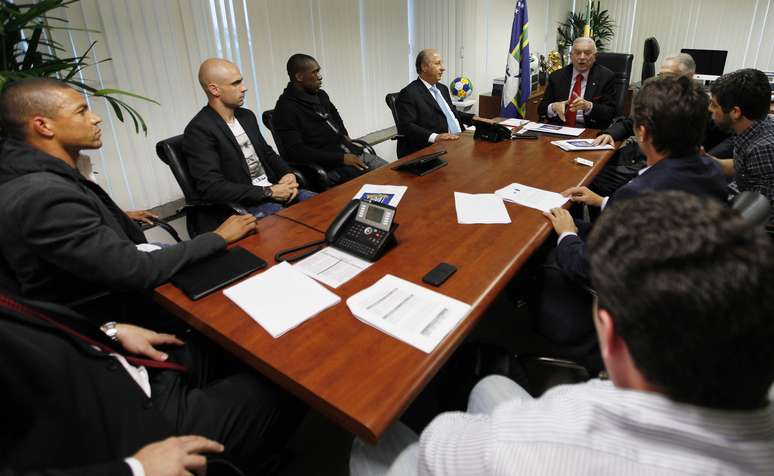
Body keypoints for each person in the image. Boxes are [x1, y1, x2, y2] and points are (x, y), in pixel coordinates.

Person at [349, 190, 774, 475]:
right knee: (491, 387)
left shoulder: (553, 438)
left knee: (372, 441)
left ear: (608, 335)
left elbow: (440, 447)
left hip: (513, 452)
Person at [0, 78, 257, 311]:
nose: (96, 118)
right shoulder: (43, 195)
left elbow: (70, 225)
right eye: (81, 111)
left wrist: (114, 215)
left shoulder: (34, 173)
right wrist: (218, 236)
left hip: (129, 266)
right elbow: (134, 270)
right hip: (113, 310)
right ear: (43, 126)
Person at [538, 74, 727, 369]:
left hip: (628, 308)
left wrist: (567, 234)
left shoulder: (639, 194)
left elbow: (585, 267)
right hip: (674, 287)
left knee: (546, 248)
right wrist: (601, 202)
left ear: (642, 132)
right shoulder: (710, 171)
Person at [0, 292, 304, 475]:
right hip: (134, 430)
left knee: (222, 338)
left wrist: (110, 332)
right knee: (288, 380)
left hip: (127, 366)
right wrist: (135, 470)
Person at [183, 58, 314, 223]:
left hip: (274, 191)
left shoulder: (246, 116)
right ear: (214, 89)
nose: (244, 88)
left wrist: (287, 173)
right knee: (295, 226)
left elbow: (267, 153)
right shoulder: (199, 130)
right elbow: (211, 187)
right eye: (235, 84)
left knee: (324, 206)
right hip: (248, 205)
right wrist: (270, 192)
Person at [588, 53, 733, 196]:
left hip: (662, 166)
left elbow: (727, 138)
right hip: (640, 155)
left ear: (689, 77)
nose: (662, 81)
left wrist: (707, 158)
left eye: (669, 76)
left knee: (593, 178)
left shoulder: (701, 107)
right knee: (592, 167)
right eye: (660, 75)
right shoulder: (655, 98)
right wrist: (610, 133)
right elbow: (630, 121)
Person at [272, 53, 388, 185]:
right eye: (314, 72)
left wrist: (345, 134)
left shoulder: (320, 95)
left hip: (350, 153)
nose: (320, 77)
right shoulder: (285, 108)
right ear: (299, 76)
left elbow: (335, 115)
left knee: (394, 174)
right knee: (379, 186)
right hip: (328, 167)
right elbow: (297, 152)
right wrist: (341, 159)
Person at [707, 68, 774, 224]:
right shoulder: (756, 127)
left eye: (714, 105)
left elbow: (758, 214)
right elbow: (743, 171)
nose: (710, 109)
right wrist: (704, 159)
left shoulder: (762, 149)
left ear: (735, 112)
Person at [395, 48, 474, 158]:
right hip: (432, 150)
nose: (443, 68)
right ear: (424, 67)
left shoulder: (443, 89)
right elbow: (407, 126)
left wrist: (475, 119)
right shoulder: (409, 93)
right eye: (437, 63)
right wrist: (436, 137)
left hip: (458, 143)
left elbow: (452, 112)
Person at [537, 37, 617, 129]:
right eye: (577, 53)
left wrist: (589, 106)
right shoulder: (557, 76)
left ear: (595, 56)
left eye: (587, 53)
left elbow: (611, 112)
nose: (582, 57)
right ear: (571, 56)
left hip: (590, 129)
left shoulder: (606, 77)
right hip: (560, 128)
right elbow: (541, 109)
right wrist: (553, 107)